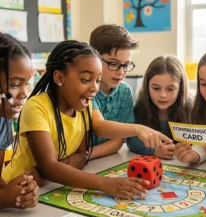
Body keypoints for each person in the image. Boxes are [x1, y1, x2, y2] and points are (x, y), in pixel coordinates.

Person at [2, 40, 171, 200]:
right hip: (14, 187)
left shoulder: (84, 107)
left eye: (97, 80)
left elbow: (81, 156)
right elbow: (50, 167)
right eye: (85, 80)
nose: (94, 88)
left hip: (48, 187)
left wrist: (48, 171)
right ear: (59, 78)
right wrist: (103, 183)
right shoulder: (36, 107)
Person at [0, 32, 39, 209]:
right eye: (15, 84)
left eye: (26, 83)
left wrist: (19, 190)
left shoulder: (3, 118)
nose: (24, 94)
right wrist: (3, 198)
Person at [127, 55, 192, 159]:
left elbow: (201, 144)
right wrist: (154, 150)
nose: (163, 95)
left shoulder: (191, 109)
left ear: (180, 89)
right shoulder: (141, 106)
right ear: (147, 86)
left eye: (170, 89)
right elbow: (131, 140)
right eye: (156, 88)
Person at [89, 24, 138, 159]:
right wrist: (138, 129)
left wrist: (86, 156)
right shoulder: (87, 89)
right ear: (94, 59)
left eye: (126, 65)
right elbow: (99, 127)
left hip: (99, 159)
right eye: (113, 63)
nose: (121, 72)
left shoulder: (124, 91)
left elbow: (119, 140)